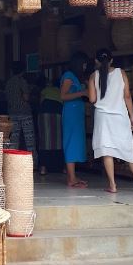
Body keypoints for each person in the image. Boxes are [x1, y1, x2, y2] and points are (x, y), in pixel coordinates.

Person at [88, 48, 133, 194]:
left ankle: (113, 186)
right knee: (128, 149)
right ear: (111, 60)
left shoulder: (93, 76)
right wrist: (132, 116)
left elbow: (92, 99)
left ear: (96, 61)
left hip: (103, 118)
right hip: (120, 116)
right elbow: (127, 96)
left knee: (107, 151)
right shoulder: (121, 73)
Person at [60, 51, 89, 188]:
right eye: (84, 64)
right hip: (71, 113)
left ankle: (73, 176)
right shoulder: (68, 76)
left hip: (76, 113)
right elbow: (63, 96)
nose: (85, 67)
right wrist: (83, 92)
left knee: (76, 142)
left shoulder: (76, 77)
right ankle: (71, 179)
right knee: (71, 142)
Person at [5, 61, 36, 163]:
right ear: (23, 71)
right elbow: (26, 97)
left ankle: (12, 163)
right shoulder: (22, 81)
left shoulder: (8, 83)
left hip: (13, 113)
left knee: (14, 140)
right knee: (29, 140)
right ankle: (32, 163)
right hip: (24, 113)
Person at [37, 77, 64, 175]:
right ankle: (61, 167)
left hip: (44, 113)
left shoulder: (46, 90)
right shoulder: (61, 91)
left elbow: (41, 102)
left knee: (45, 140)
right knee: (58, 140)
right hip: (58, 113)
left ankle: (43, 168)